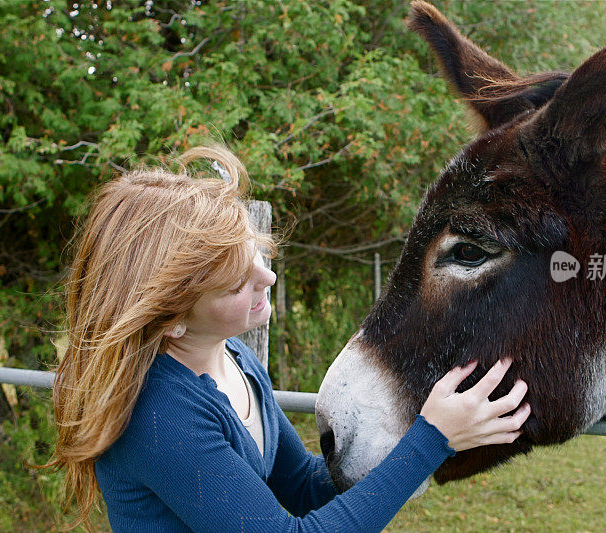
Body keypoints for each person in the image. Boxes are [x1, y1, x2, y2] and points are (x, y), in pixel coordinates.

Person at [44, 146, 531, 532]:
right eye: (237, 283)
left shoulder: (233, 358)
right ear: (170, 320)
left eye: (255, 255)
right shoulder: (159, 417)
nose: (268, 279)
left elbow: (303, 488)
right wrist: (431, 439)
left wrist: (417, 426)